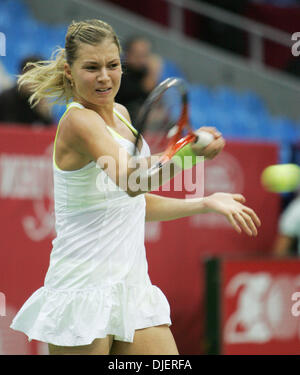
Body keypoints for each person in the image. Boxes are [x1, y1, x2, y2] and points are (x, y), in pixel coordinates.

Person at [10, 19, 261, 355]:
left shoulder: (124, 114)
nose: (104, 76)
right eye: (92, 67)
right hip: (83, 291)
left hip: (132, 288)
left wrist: (206, 202)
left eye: (113, 65)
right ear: (70, 71)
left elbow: (134, 202)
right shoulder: (79, 121)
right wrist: (187, 155)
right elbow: (131, 181)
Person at [115, 36, 162, 126]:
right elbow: (139, 91)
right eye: (138, 54)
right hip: (121, 120)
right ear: (128, 54)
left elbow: (155, 99)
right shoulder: (120, 73)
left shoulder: (143, 72)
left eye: (145, 55)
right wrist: (153, 73)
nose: (141, 59)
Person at [0, 55, 54, 126]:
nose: (33, 81)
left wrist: (46, 116)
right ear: (21, 75)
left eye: (38, 77)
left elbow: (48, 131)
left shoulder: (38, 101)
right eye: (30, 75)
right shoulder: (5, 98)